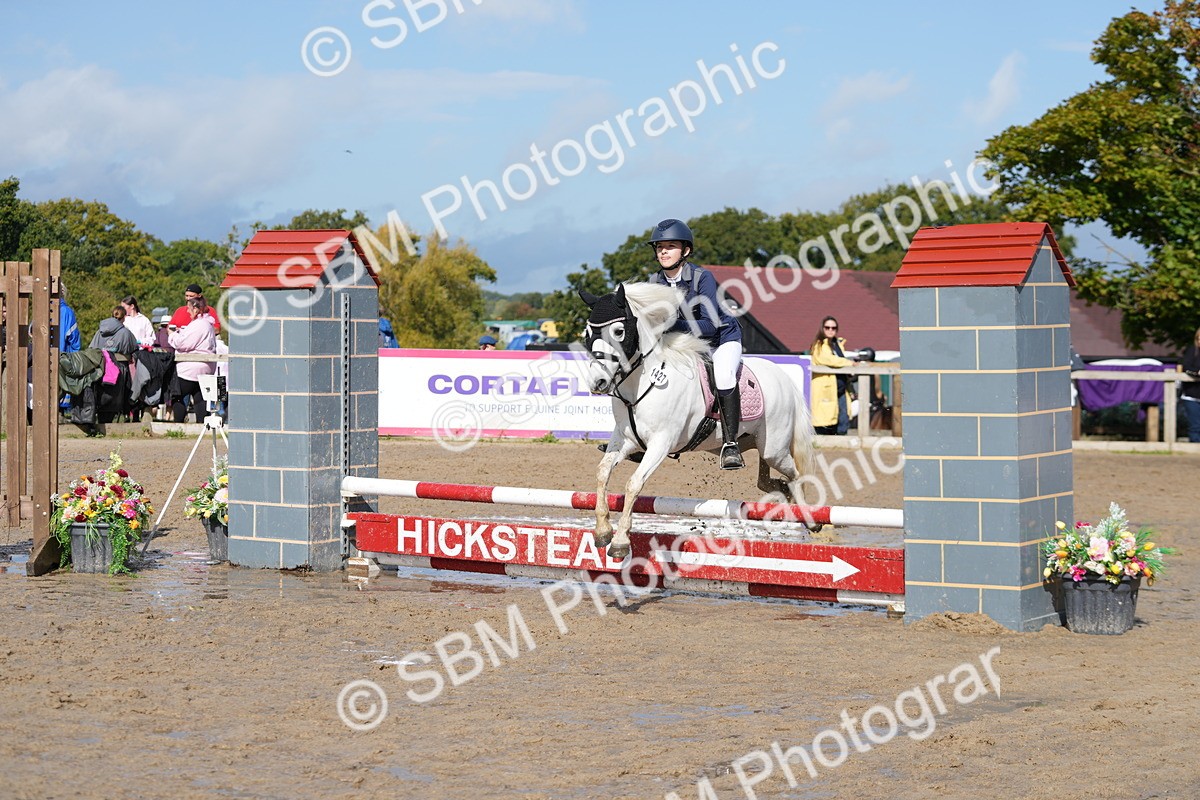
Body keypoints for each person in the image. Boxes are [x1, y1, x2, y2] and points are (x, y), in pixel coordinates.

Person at [645, 218, 745, 469]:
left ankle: (731, 444)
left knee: (723, 376)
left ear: (686, 250)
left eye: (670, 246)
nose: (663, 251)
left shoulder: (702, 277)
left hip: (720, 339)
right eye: (659, 247)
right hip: (685, 342)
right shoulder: (654, 281)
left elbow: (709, 326)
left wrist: (670, 326)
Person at [168, 297, 217, 423]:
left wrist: (172, 335)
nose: (188, 312)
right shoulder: (208, 325)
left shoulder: (199, 324)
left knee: (177, 396)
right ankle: (201, 426)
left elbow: (184, 344)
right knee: (199, 398)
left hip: (190, 369)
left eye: (189, 309)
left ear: (195, 309)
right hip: (206, 368)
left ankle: (178, 424)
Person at [810, 315, 856, 435]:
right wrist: (848, 363)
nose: (830, 330)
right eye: (827, 327)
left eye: (833, 328)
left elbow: (837, 360)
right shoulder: (818, 345)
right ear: (822, 328)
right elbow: (826, 359)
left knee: (843, 419)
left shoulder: (837, 344)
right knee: (824, 419)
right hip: (826, 388)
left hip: (841, 388)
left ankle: (840, 442)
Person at [1181, 327, 1200, 443]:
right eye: (1199, 338)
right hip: (1192, 395)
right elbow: (1186, 367)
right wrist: (1197, 373)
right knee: (1195, 426)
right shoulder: (1192, 351)